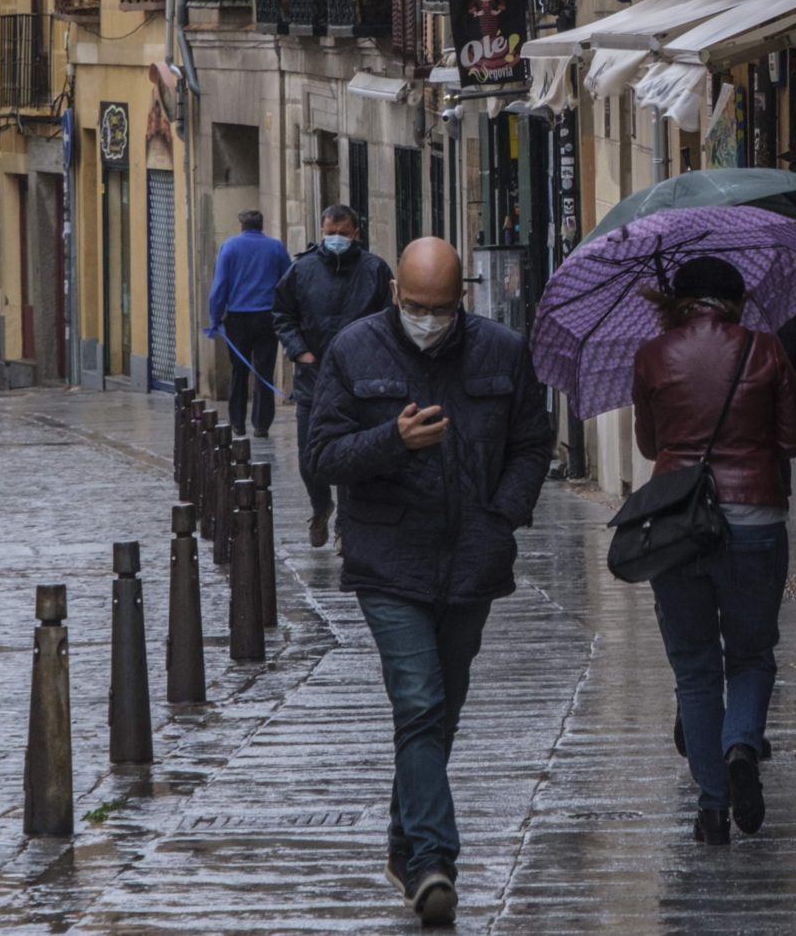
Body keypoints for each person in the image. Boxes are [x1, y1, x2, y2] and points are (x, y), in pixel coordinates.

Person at [301, 238, 551, 928]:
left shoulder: (501, 350)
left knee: (440, 711)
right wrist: (392, 441)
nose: (428, 319)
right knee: (417, 699)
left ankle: (403, 841)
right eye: (416, 306)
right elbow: (320, 454)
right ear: (394, 296)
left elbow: (535, 440)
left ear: (459, 301)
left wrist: (503, 515)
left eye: (440, 308)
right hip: (388, 557)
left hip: (472, 558)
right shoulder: (355, 351)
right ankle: (435, 861)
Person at [632, 255, 796, 846]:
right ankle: (741, 746)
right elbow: (793, 439)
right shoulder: (764, 349)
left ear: (678, 302)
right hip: (756, 517)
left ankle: (711, 808)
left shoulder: (653, 355)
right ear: (735, 301)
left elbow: (650, 443)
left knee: (695, 666)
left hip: (680, 526)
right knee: (752, 653)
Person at [273, 202, 392, 547]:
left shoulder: (375, 270)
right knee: (310, 457)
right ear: (321, 233)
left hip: (359, 383)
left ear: (356, 234)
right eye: (330, 234)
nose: (336, 239)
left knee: (351, 456)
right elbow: (282, 313)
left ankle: (345, 526)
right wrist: (300, 351)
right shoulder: (301, 270)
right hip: (313, 380)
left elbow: (388, 318)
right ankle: (321, 506)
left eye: (342, 234)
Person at [203, 209, 291, 437]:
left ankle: (237, 422)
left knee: (239, 372)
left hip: (237, 319)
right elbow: (289, 282)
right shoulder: (276, 247)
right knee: (264, 370)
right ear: (261, 226)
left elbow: (219, 286)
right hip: (267, 318)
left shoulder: (230, 247)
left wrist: (215, 317)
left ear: (242, 226)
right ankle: (261, 424)